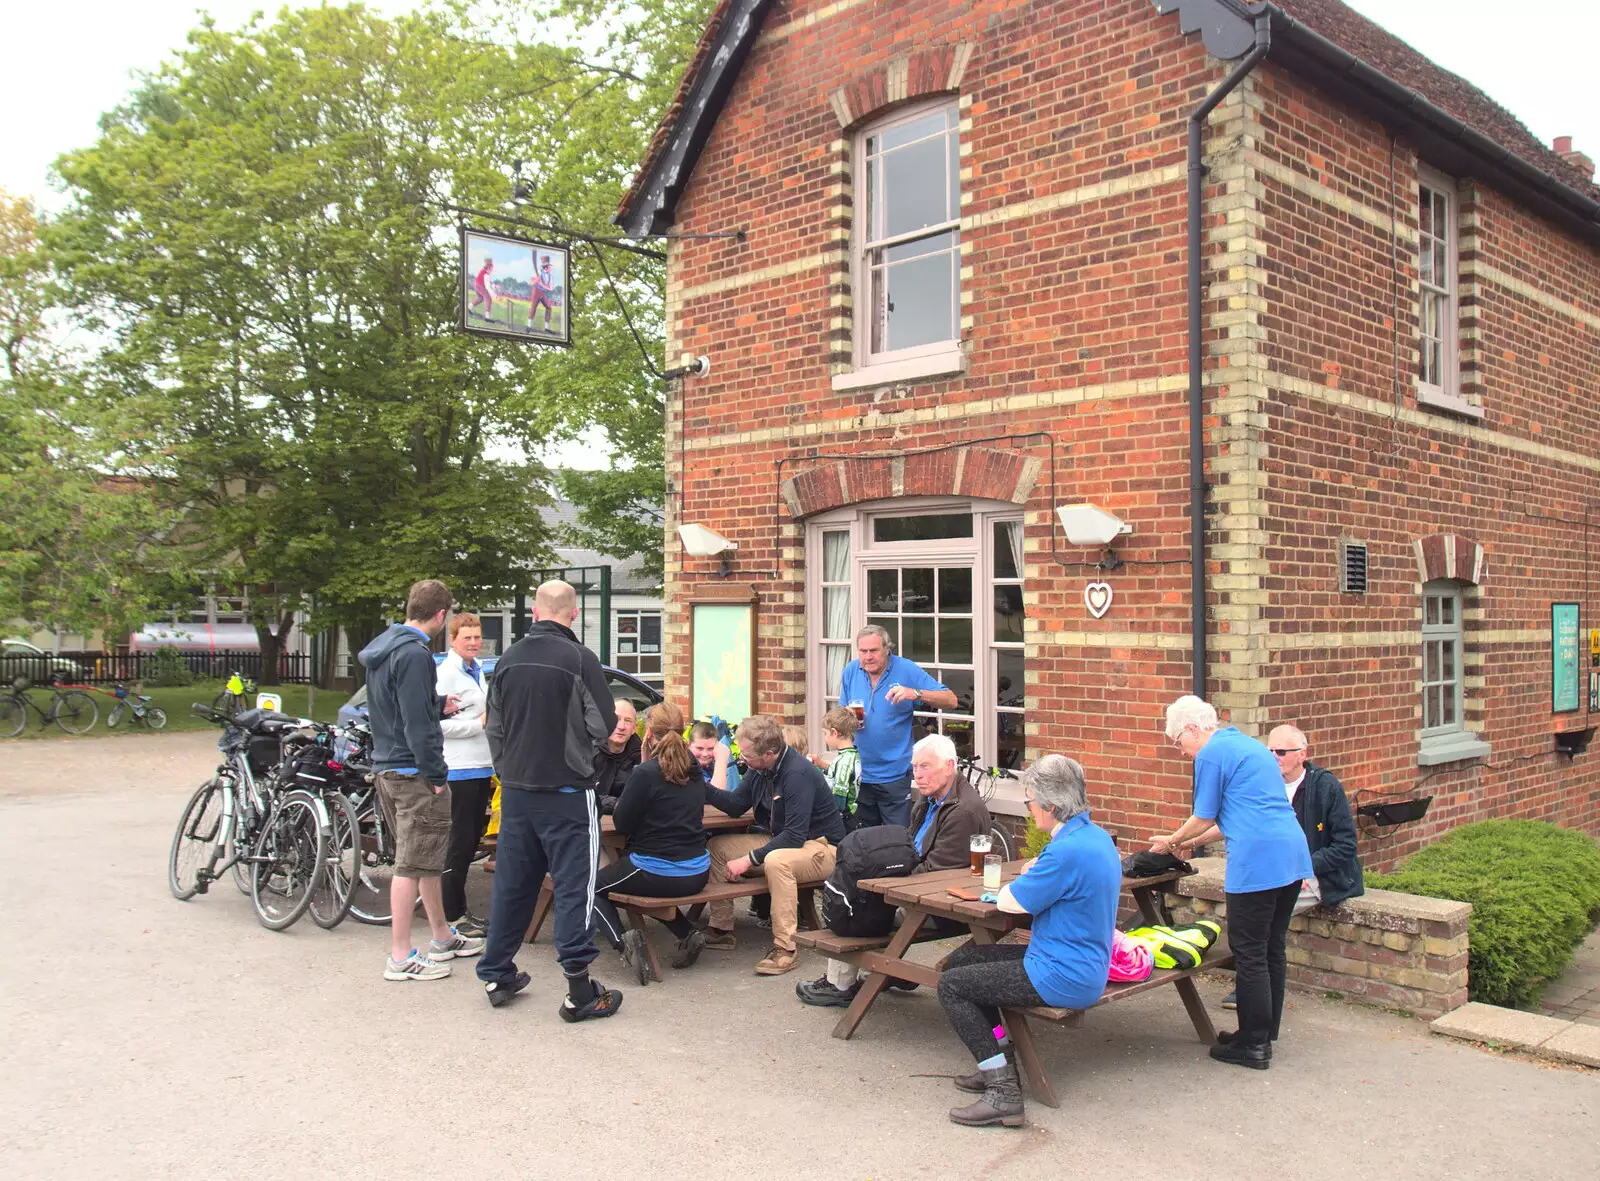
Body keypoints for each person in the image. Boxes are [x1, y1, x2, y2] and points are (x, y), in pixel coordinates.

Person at [936, 755, 1119, 1127]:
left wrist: (1026, 875)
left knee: (952, 986)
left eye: (1030, 802)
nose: (1029, 808)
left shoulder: (1066, 851)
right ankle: (999, 1054)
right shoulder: (1094, 837)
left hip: (1062, 974)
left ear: (1051, 806)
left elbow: (1011, 901)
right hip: (1077, 961)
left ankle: (1003, 1091)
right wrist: (1039, 867)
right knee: (961, 962)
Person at [477, 580, 622, 1022]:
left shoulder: (508, 659)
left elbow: (493, 726)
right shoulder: (580, 658)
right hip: (567, 791)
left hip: (518, 791)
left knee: (512, 884)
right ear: (573, 614)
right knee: (575, 884)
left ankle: (497, 973)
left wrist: (509, 770)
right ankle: (580, 991)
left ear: (535, 613)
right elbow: (604, 724)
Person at [1153, 696, 1314, 1069]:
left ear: (1192, 729)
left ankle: (1253, 1046)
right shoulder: (1248, 746)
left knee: (1249, 950)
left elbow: (1203, 815)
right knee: (1272, 945)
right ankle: (1263, 1031)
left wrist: (1171, 842)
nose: (1181, 751)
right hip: (1290, 854)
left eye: (1178, 741)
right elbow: (1231, 818)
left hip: (1257, 862)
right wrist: (1190, 843)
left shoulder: (1211, 754)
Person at [798, 732, 991, 1007]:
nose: (917, 775)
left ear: (949, 766)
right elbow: (909, 849)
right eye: (914, 767)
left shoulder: (963, 811)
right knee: (854, 887)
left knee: (857, 907)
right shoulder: (932, 798)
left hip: (944, 904)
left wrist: (884, 886)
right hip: (921, 892)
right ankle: (886, 970)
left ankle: (840, 985)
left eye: (925, 766)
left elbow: (936, 872)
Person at [1180, 723, 1364, 1010]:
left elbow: (1345, 847)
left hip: (1316, 874)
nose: (1274, 756)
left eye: (1281, 752)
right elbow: (1238, 821)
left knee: (1255, 939)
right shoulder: (1268, 779)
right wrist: (1193, 841)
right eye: (1270, 751)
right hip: (1280, 867)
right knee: (1261, 940)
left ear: (1302, 754)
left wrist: (1306, 868)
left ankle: (1252, 999)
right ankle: (1259, 1006)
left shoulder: (1324, 787)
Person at [358, 579, 483, 982]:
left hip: (387, 766)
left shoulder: (386, 645)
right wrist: (436, 774)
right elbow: (415, 726)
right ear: (442, 616)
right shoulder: (414, 654)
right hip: (413, 771)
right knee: (410, 865)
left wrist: (436, 705)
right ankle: (400, 956)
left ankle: (442, 936)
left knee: (426, 859)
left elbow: (396, 705)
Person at [702, 715, 846, 974]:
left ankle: (786, 949)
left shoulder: (797, 773)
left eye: (745, 754)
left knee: (776, 861)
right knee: (718, 847)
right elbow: (736, 806)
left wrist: (748, 860)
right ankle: (721, 929)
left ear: (769, 753)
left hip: (822, 847)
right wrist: (700, 786)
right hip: (784, 839)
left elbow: (794, 835)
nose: (741, 758)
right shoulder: (760, 769)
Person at [590, 703, 711, 985]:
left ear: (648, 735)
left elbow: (622, 823)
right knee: (636, 883)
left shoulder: (645, 773)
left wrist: (642, 767)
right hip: (697, 872)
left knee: (591, 887)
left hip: (656, 870)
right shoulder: (693, 768)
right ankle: (687, 933)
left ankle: (625, 945)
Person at [838, 625, 958, 827]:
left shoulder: (906, 669)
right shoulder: (851, 671)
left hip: (893, 776)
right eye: (863, 651)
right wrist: (846, 716)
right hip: (859, 773)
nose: (868, 657)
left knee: (897, 840)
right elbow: (840, 714)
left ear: (887, 649)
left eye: (874, 651)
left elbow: (951, 700)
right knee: (864, 842)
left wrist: (916, 693)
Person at [436, 611, 495, 937]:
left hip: (480, 765)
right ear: (453, 640)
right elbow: (439, 725)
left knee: (472, 838)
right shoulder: (446, 675)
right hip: (458, 767)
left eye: (477, 637)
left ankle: (462, 911)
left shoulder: (477, 671)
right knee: (459, 843)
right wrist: (478, 725)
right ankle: (452, 914)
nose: (474, 643)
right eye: (467, 637)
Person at [594, 699, 641, 815]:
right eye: (616, 719)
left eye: (628, 721)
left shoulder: (642, 757)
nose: (621, 726)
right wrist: (618, 804)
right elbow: (583, 796)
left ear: (635, 728)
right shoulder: (587, 753)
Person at [816, 706, 862, 826]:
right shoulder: (850, 755)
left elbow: (839, 799)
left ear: (834, 733)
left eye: (825, 734)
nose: (825, 739)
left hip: (843, 819)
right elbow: (835, 775)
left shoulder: (845, 761)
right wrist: (820, 766)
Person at [687, 720, 735, 791]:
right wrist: (721, 761)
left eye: (710, 749)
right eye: (699, 748)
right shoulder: (685, 768)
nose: (705, 754)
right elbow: (717, 797)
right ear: (688, 745)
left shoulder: (710, 765)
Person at [529, 254, 561, 333]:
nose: (550, 268)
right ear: (545, 267)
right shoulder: (538, 273)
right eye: (549, 267)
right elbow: (531, 282)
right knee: (533, 307)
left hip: (542, 292)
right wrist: (537, 280)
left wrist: (542, 284)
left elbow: (550, 288)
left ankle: (547, 328)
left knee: (549, 307)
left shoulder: (550, 276)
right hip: (536, 291)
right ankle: (529, 326)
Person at [469, 257, 495, 321]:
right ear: (489, 268)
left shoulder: (483, 270)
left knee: (480, 298)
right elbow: (487, 287)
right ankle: (487, 317)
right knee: (488, 299)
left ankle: (468, 308)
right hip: (480, 286)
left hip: (476, 285)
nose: (492, 270)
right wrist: (494, 295)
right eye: (491, 268)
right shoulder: (486, 274)